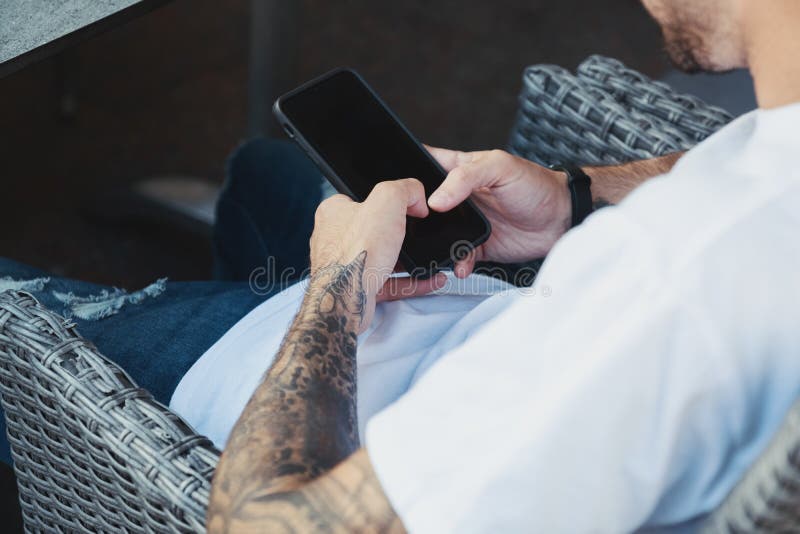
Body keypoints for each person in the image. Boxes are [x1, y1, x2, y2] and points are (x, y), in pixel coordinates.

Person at [1, 2, 799, 533]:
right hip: (483, 313)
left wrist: (336, 289)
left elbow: (266, 524)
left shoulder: (671, 295)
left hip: (319, 429)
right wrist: (572, 199)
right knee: (262, 176)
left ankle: (190, 338)